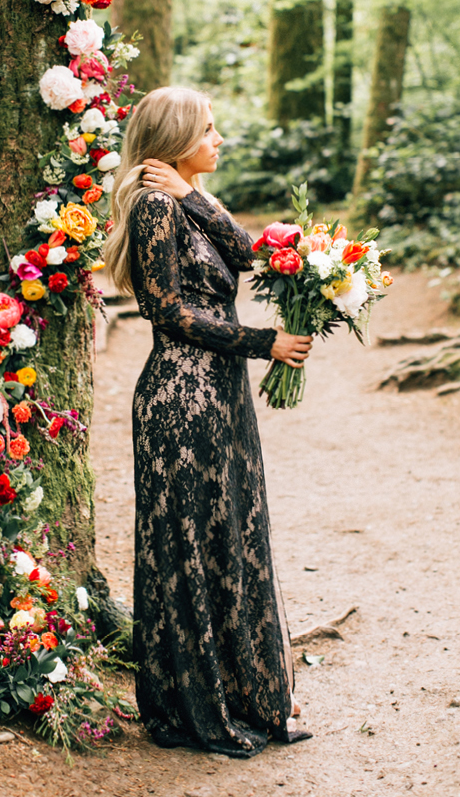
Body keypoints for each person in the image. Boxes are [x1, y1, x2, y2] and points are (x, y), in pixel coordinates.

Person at [105, 86, 313, 758]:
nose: (219, 140)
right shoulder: (155, 209)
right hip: (180, 399)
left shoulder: (184, 205)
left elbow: (250, 255)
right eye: (209, 130)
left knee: (231, 540)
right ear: (174, 141)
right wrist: (265, 344)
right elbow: (169, 314)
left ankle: (247, 692)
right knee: (192, 549)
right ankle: (195, 708)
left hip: (219, 396)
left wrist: (196, 196)